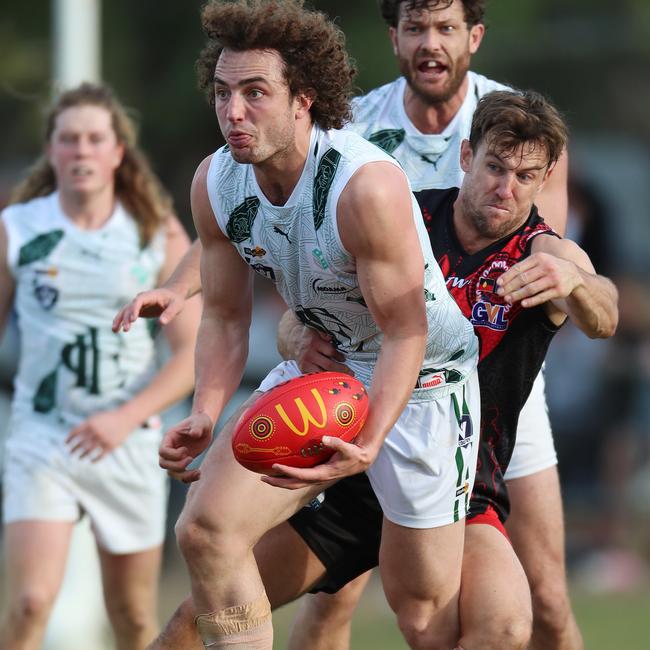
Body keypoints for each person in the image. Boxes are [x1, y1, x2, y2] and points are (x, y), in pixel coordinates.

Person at [115, 88, 618, 650]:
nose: (505, 188)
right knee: (202, 609)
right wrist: (296, 335)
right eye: (495, 168)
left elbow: (605, 314)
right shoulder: (401, 213)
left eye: (526, 176)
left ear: (547, 177)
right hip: (344, 460)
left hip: (454, 478)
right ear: (466, 156)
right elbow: (273, 282)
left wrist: (577, 284)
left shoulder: (545, 257)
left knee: (502, 624)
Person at [127, 0, 485, 648]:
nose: (233, 113)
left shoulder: (362, 186)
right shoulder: (216, 182)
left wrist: (370, 441)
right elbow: (228, 316)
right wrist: (206, 411)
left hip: (425, 385)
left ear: (303, 100)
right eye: (223, 93)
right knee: (204, 529)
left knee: (424, 612)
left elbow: (407, 333)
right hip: (327, 371)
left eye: (255, 93)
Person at [0, 82, 201, 650]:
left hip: (126, 441)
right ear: (52, 151)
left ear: (118, 151)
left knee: (135, 618)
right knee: (30, 600)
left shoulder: (154, 232)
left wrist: (125, 417)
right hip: (44, 438)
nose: (81, 151)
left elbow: (194, 353)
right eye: (68, 140)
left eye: (94, 139)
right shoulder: (19, 229)